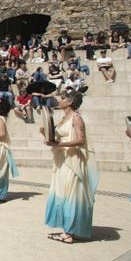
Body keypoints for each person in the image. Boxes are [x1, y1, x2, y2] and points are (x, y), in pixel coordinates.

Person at [44, 91, 98, 244]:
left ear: (70, 101)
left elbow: (81, 140)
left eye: (62, 98)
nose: (59, 101)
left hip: (72, 159)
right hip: (62, 158)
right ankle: (69, 229)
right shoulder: (63, 119)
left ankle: (68, 234)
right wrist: (46, 134)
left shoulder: (76, 118)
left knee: (71, 193)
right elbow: (56, 137)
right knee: (63, 192)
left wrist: (60, 144)